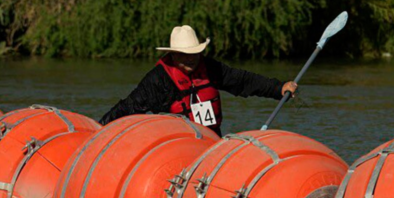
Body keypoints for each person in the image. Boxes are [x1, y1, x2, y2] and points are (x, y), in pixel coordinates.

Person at [99, 25, 298, 135]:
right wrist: (98, 131)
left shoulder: (209, 67)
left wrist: (278, 87)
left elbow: (243, 81)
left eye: (194, 53)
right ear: (173, 54)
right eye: (185, 55)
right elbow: (129, 108)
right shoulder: (159, 79)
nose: (191, 59)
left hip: (211, 143)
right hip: (179, 148)